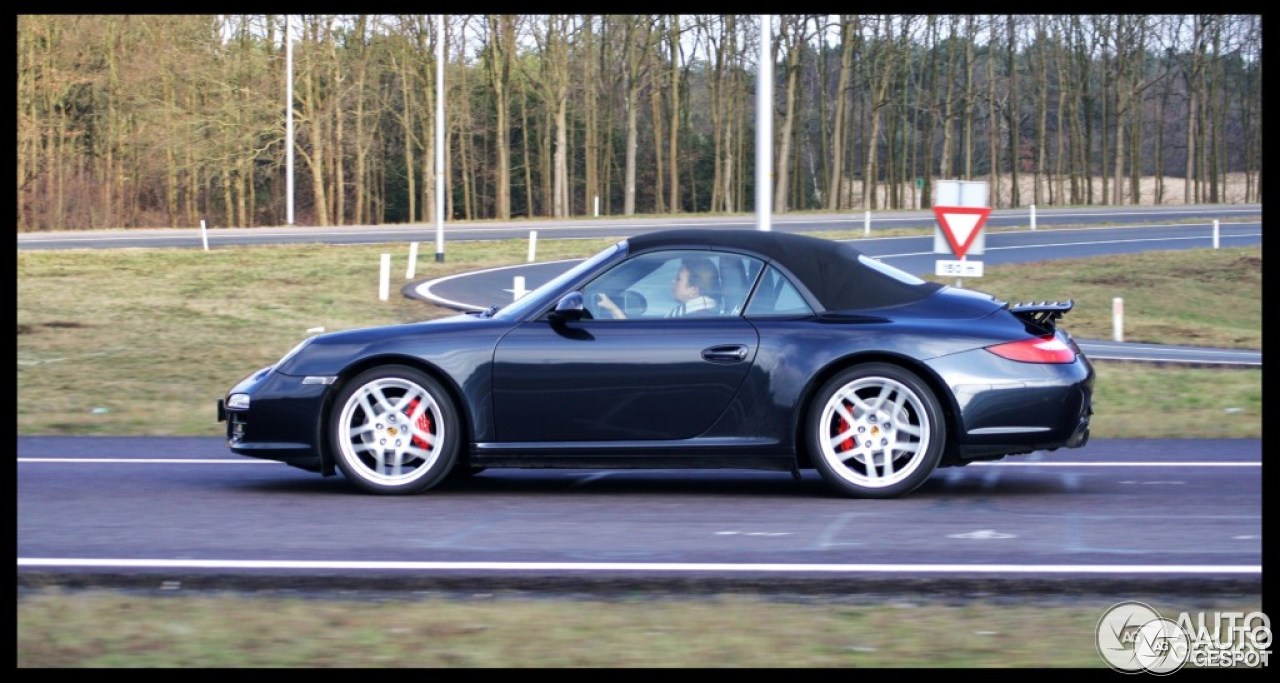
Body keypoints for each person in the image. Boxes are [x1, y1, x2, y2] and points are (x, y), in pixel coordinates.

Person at [596, 257, 720, 319]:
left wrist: (613, 309)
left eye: (678, 279)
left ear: (694, 289)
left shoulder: (693, 319)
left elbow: (640, 345)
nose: (673, 281)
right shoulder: (698, 313)